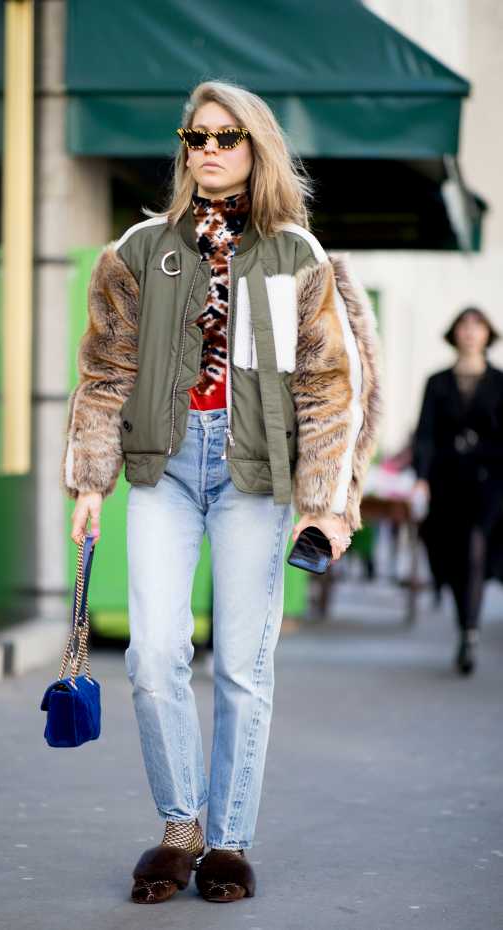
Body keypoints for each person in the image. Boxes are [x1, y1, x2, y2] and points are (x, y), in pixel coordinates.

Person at [60, 80, 382, 904]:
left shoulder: (294, 254)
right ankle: (181, 827)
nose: (208, 149)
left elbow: (330, 386)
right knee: (153, 656)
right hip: (164, 465)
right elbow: (106, 371)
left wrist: (324, 501)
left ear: (256, 147)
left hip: (257, 474)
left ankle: (229, 841)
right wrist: (90, 480)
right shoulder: (139, 248)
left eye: (226, 136)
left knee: (243, 664)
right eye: (195, 136)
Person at [412, 307, 503, 675]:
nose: (470, 332)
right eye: (464, 325)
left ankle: (470, 631)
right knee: (450, 553)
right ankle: (465, 621)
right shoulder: (437, 382)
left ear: (487, 334)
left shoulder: (500, 382)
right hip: (447, 480)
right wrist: (421, 476)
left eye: (477, 325)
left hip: (490, 480)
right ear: (455, 333)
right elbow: (425, 434)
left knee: (476, 548)